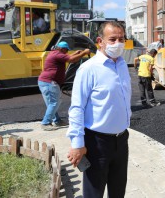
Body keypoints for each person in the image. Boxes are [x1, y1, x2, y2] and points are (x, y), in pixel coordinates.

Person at [67, 21, 131, 197]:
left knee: (118, 191)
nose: (118, 43)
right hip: (97, 143)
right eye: (112, 39)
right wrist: (77, 144)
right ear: (99, 41)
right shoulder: (89, 69)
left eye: (121, 39)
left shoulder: (122, 65)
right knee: (94, 192)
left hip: (121, 140)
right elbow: (77, 108)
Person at [38, 41, 90, 131]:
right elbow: (71, 60)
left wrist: (77, 53)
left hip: (46, 81)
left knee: (52, 103)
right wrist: (84, 53)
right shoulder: (57, 54)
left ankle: (57, 120)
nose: (66, 52)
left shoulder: (55, 53)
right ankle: (45, 123)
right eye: (66, 50)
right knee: (54, 103)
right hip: (49, 82)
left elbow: (68, 57)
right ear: (62, 49)